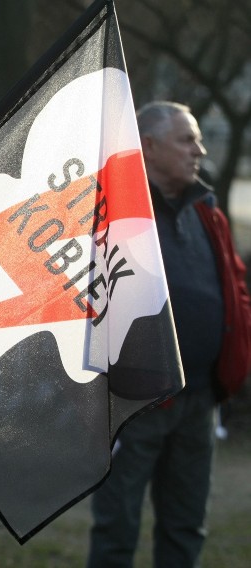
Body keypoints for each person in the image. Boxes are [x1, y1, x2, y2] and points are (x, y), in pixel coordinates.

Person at [86, 101, 251, 567]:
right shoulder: (112, 213)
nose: (199, 149)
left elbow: (235, 286)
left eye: (196, 139)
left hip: (199, 400)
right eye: (186, 139)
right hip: (135, 405)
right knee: (116, 528)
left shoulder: (208, 212)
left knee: (185, 527)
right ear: (150, 147)